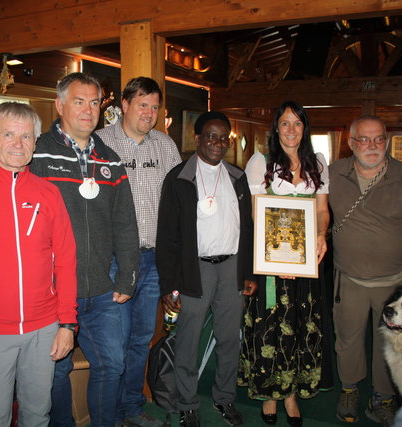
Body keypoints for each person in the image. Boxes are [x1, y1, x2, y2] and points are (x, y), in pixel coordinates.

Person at [30, 72, 139, 427]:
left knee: (113, 364)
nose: (88, 110)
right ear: (59, 105)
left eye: (95, 102)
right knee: (56, 373)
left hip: (103, 289)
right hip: (54, 290)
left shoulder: (110, 159)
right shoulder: (35, 154)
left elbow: (125, 223)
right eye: (79, 101)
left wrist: (127, 276)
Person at [0, 102, 77, 426]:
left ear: (35, 143)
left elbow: (65, 260)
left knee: (37, 413)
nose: (18, 143)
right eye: (9, 134)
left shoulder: (49, 193)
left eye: (27, 136)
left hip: (43, 328)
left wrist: (67, 324)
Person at [329, 115, 402, 426]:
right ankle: (349, 389)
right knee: (347, 339)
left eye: (378, 139)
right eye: (364, 139)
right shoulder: (334, 173)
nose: (372, 146)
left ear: (386, 142)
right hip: (348, 278)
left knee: (390, 343)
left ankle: (383, 396)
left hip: (395, 282)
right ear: (351, 143)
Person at [156, 111, 256, 427]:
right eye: (210, 136)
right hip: (193, 270)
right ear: (198, 138)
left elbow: (248, 229)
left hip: (230, 269)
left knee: (229, 340)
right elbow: (167, 238)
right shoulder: (178, 178)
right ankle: (187, 403)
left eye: (223, 137)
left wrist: (249, 273)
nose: (217, 143)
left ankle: (224, 398)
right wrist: (169, 286)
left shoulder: (238, 177)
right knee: (188, 340)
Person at [96, 76, 182, 427]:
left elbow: (179, 203)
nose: (149, 112)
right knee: (114, 344)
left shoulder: (166, 146)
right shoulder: (99, 144)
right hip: (115, 261)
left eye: (154, 106)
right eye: (142, 104)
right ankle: (109, 412)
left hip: (155, 259)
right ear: (124, 106)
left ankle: (130, 408)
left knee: (141, 339)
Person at [239, 101, 331, 427]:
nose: (291, 130)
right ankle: (270, 394)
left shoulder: (317, 163)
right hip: (271, 259)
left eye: (297, 123)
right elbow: (254, 215)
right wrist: (275, 258)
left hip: (304, 261)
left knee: (299, 324)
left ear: (305, 128)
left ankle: (290, 393)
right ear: (276, 129)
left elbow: (321, 210)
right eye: (285, 123)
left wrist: (321, 234)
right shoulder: (259, 162)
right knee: (270, 326)